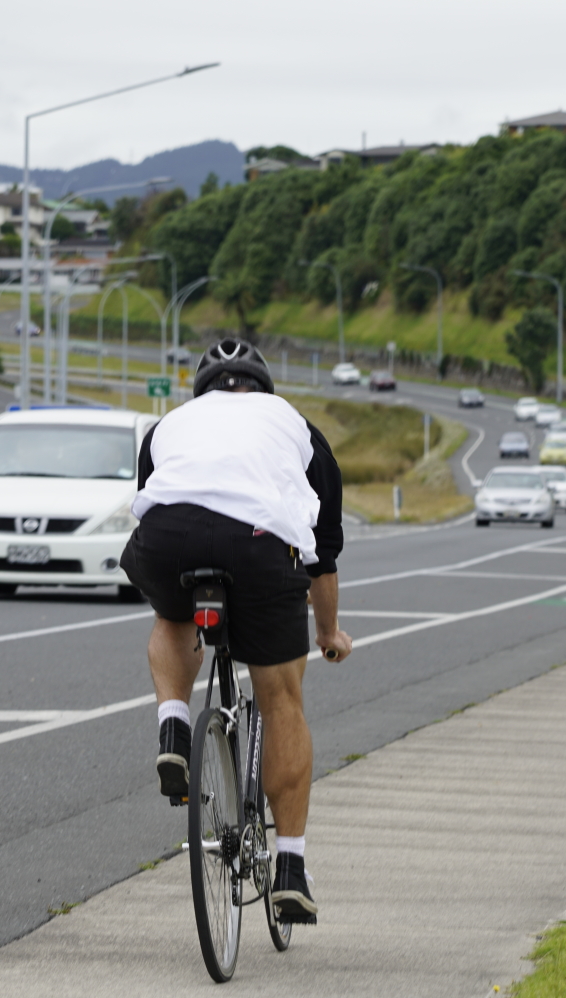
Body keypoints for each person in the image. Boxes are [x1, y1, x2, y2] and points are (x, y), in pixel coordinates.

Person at [121, 338, 352, 924]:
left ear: (201, 390)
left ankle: (173, 729)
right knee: (280, 700)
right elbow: (322, 556)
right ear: (263, 389)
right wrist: (329, 633)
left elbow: (152, 499)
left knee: (172, 617)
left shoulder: (170, 425)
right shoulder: (295, 426)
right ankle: (291, 869)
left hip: (168, 536)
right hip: (258, 544)